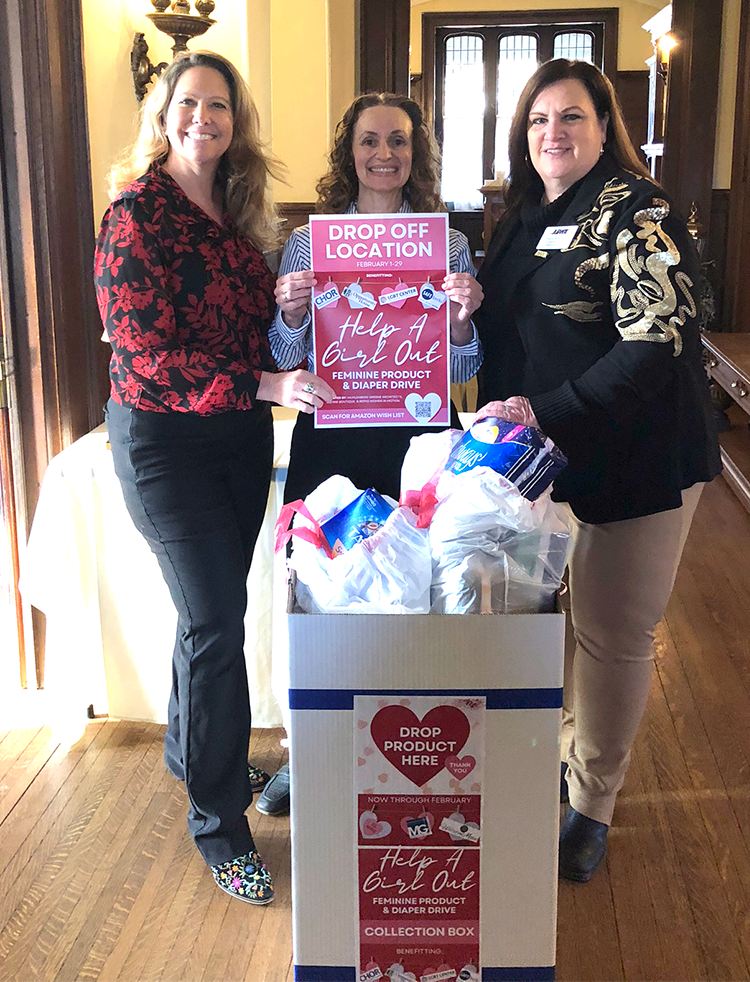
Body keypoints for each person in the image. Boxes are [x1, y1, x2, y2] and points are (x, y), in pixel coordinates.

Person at [94, 50, 333, 905]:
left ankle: (194, 751)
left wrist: (294, 307)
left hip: (234, 440)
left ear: (237, 122)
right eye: (188, 104)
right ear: (162, 115)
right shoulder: (135, 216)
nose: (205, 118)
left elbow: (255, 325)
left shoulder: (236, 213)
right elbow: (147, 358)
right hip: (164, 444)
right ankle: (220, 822)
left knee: (210, 614)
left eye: (220, 107)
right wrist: (266, 385)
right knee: (215, 621)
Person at [474, 59, 721, 883]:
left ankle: (593, 803)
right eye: (540, 119)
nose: (555, 133)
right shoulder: (520, 212)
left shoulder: (638, 211)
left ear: (603, 125)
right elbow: (502, 314)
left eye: (572, 117)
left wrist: (543, 409)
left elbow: (654, 344)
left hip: (636, 452)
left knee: (613, 632)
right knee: (558, 616)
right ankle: (571, 751)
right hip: (546, 459)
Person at [255, 92, 484, 818]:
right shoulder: (306, 242)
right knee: (318, 589)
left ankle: (419, 739)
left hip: (418, 434)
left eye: (398, 141)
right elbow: (284, 359)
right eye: (369, 141)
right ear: (347, 152)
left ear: (417, 153)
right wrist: (290, 311)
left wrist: (463, 317)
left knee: (419, 581)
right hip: (333, 430)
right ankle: (308, 750)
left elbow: (462, 365)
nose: (384, 153)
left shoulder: (445, 243)